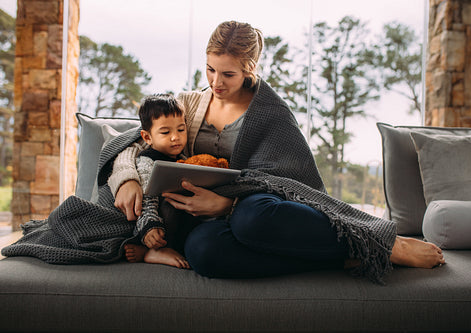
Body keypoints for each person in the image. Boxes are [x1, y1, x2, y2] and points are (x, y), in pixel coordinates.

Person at [110, 21, 445, 282]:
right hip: (202, 219)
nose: (215, 82)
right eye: (210, 69)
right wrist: (126, 179)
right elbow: (134, 142)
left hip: (256, 206)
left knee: (251, 219)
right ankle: (340, 258)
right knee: (203, 252)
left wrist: (229, 203)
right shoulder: (188, 103)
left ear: (250, 69)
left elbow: (293, 184)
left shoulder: (271, 113)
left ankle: (384, 243)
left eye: (228, 73)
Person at [123, 93, 189, 269]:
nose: (175, 137)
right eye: (166, 132)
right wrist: (149, 226)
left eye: (181, 130)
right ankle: (153, 250)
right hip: (155, 220)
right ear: (147, 137)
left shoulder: (184, 159)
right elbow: (146, 198)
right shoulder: (148, 161)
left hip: (183, 216)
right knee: (170, 206)